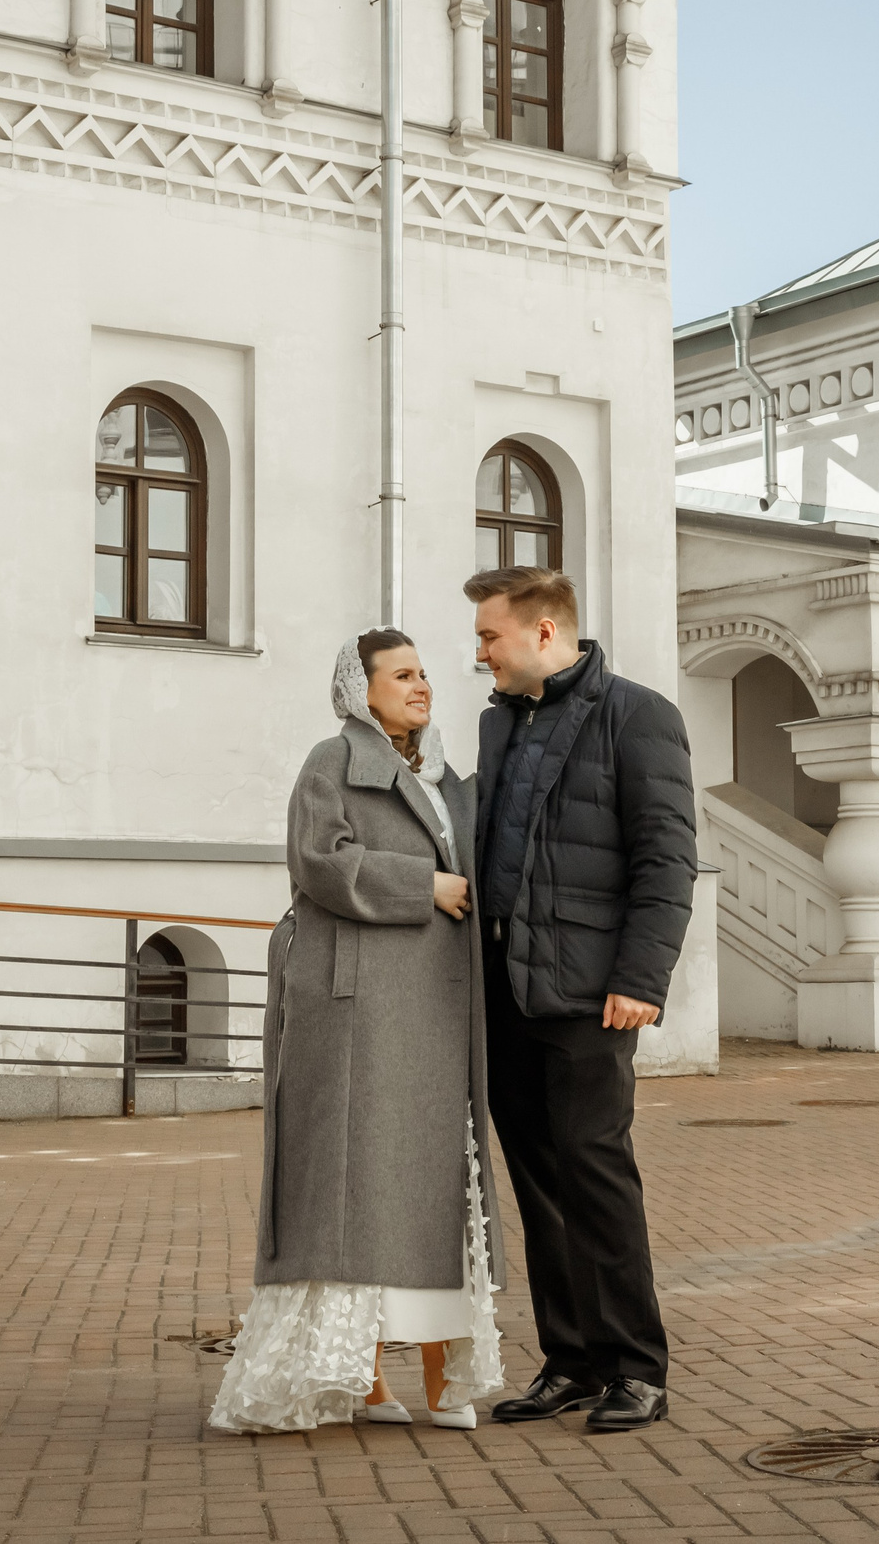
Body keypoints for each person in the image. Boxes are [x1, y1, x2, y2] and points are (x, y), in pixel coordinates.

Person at [207, 629, 508, 1434]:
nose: (422, 685)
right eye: (402, 674)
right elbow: (320, 861)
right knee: (358, 1185)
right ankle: (364, 1377)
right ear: (361, 688)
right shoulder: (331, 762)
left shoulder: (449, 779)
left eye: (424, 673)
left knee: (440, 1182)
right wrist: (425, 884)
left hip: (439, 1010)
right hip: (359, 1012)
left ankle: (447, 1373)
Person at [464, 565, 697, 1433]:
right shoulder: (499, 724)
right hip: (507, 990)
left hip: (590, 993)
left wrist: (642, 978)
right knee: (539, 1183)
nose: (479, 651)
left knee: (597, 1176)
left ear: (545, 633)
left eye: (490, 635)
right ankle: (571, 1359)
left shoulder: (638, 715)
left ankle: (637, 1366)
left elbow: (665, 857)